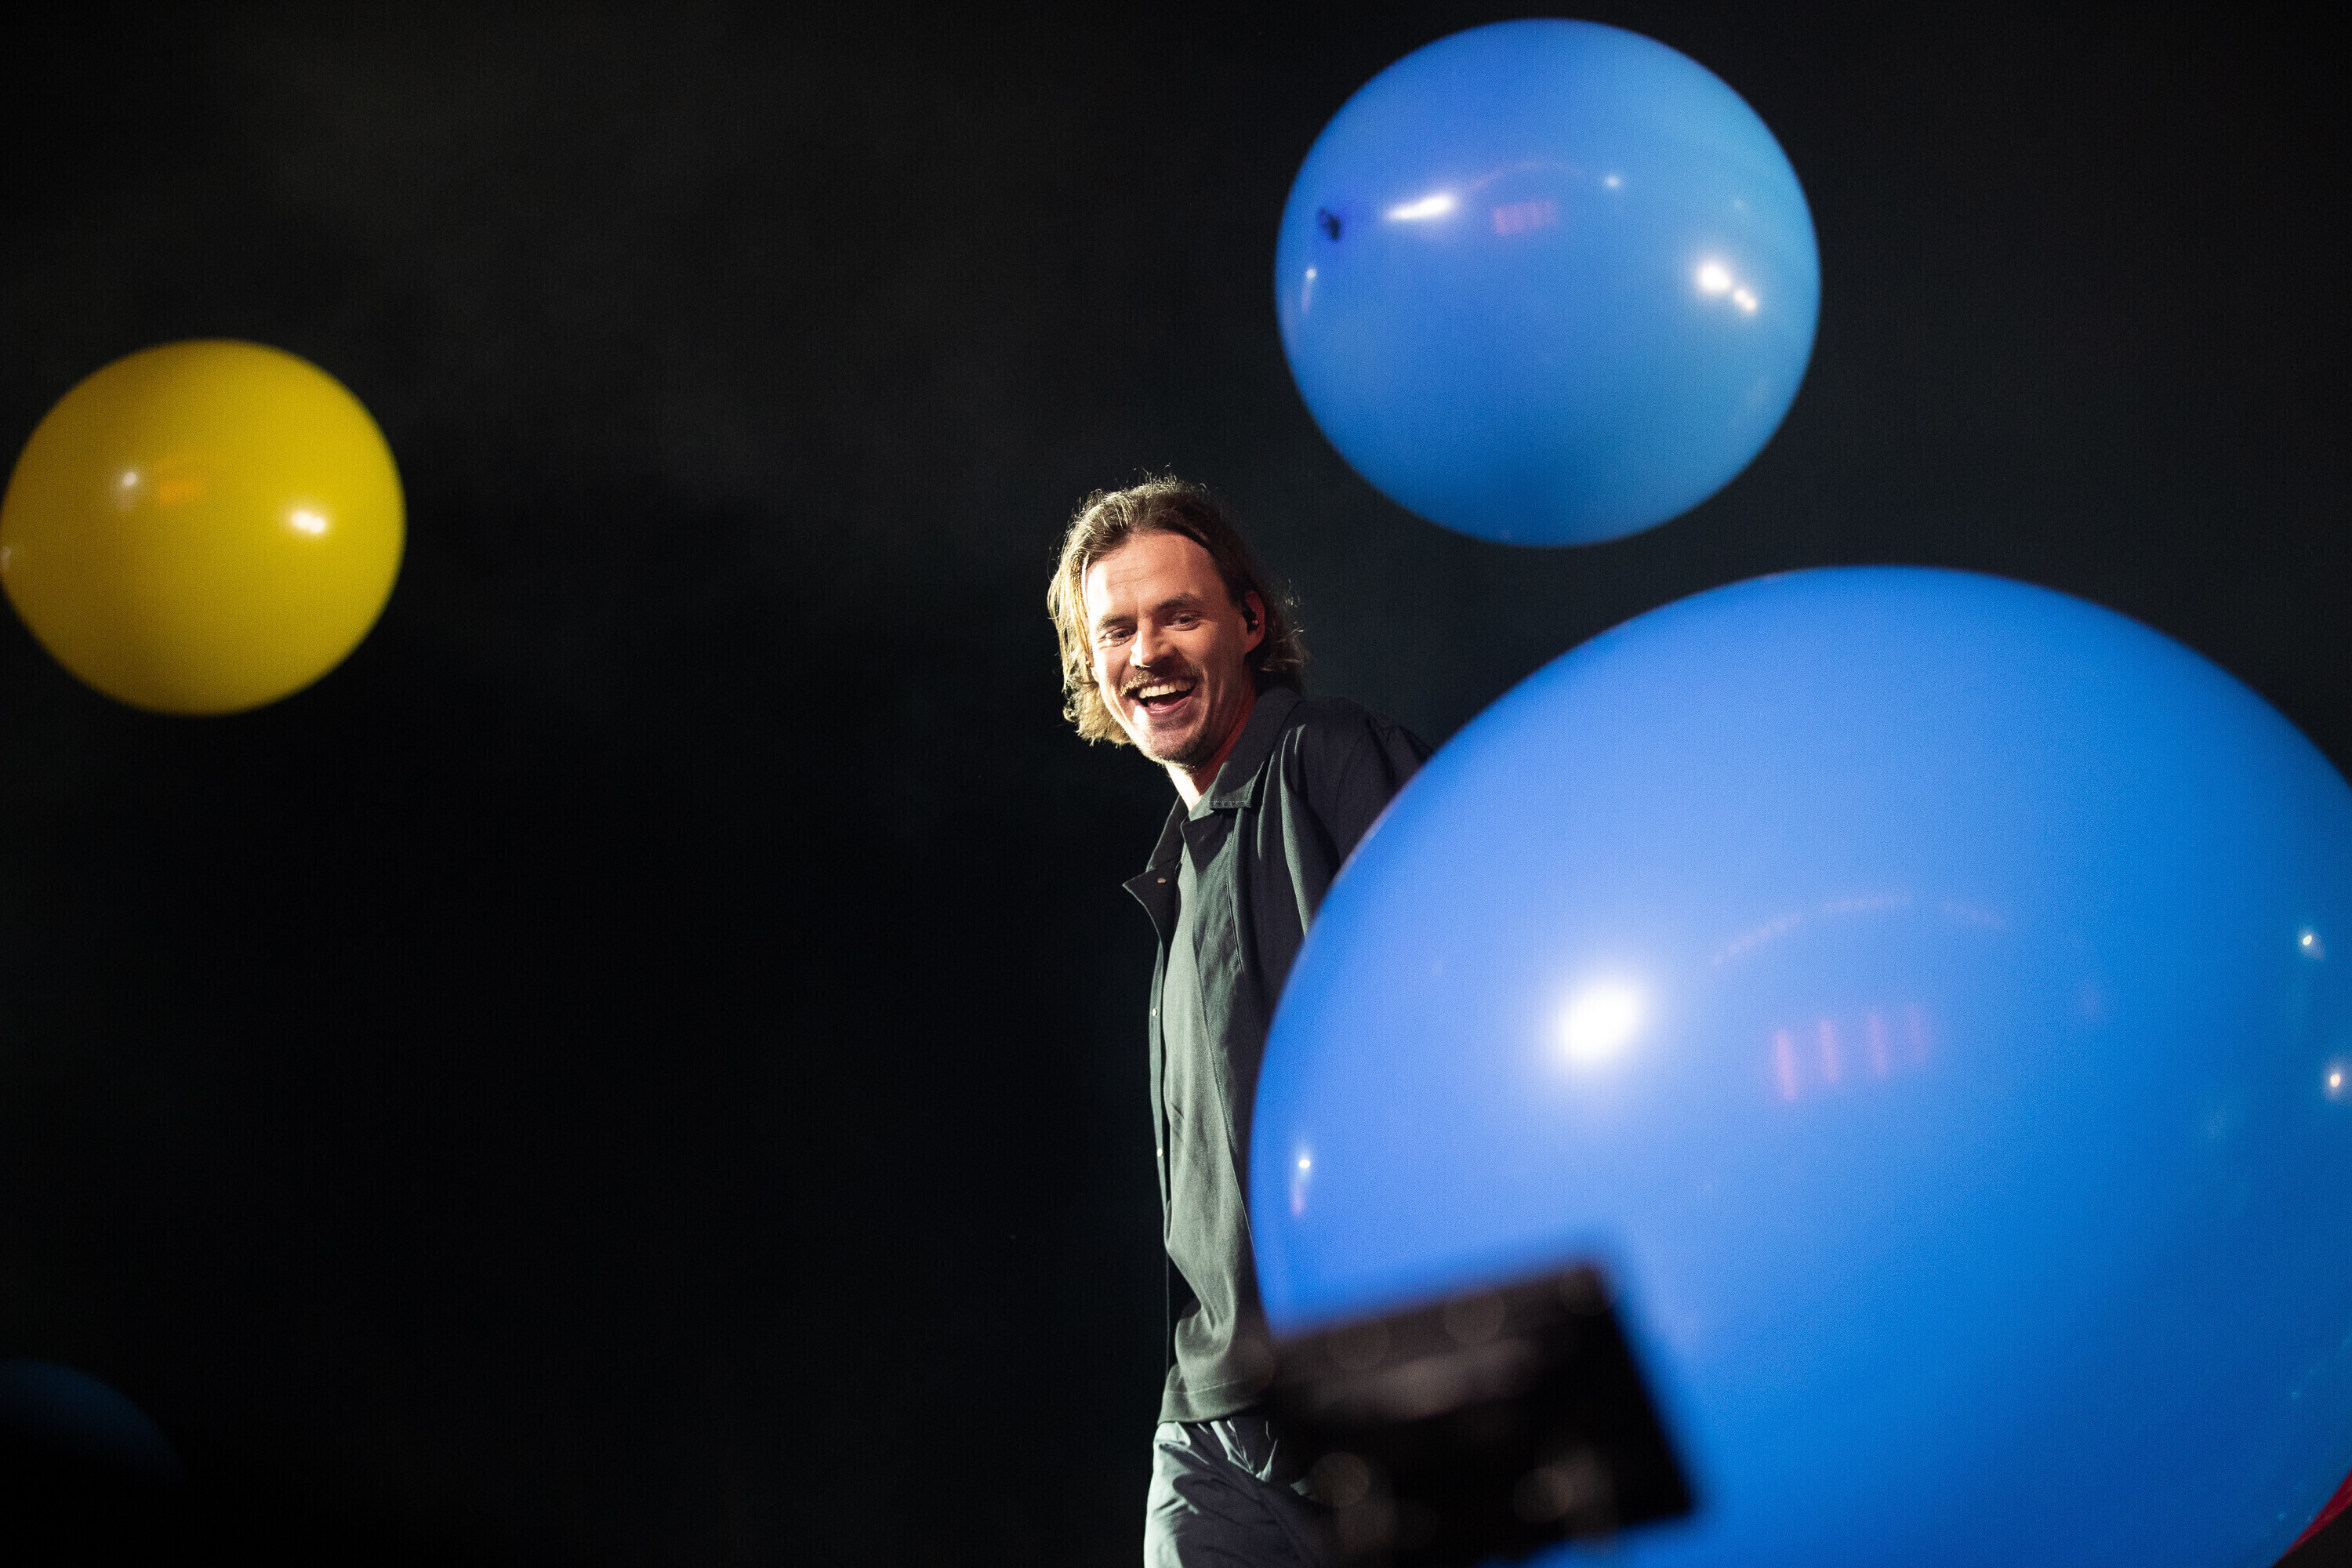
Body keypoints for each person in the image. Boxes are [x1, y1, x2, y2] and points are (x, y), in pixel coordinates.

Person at [1048, 478, 1430, 1566]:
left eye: (1179, 615)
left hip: (1364, 1380)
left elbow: (1463, 991)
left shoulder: (1326, 758)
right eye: (1115, 629)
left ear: (1251, 621)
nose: (1147, 653)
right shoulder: (1177, 867)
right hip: (1213, 1410)